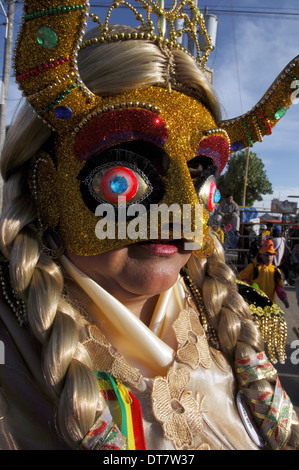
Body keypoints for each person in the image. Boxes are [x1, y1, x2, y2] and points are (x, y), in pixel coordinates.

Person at [0, 0, 298, 451]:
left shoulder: (250, 310)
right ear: (46, 185)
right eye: (124, 177)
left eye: (200, 178)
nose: (183, 212)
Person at [238, 239, 289, 308]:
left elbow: (279, 287)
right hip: (254, 304)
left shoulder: (275, 270)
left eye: (271, 254)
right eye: (266, 254)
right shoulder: (253, 267)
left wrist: (284, 298)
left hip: (269, 304)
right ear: (260, 255)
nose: (269, 257)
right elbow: (241, 278)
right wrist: (251, 286)